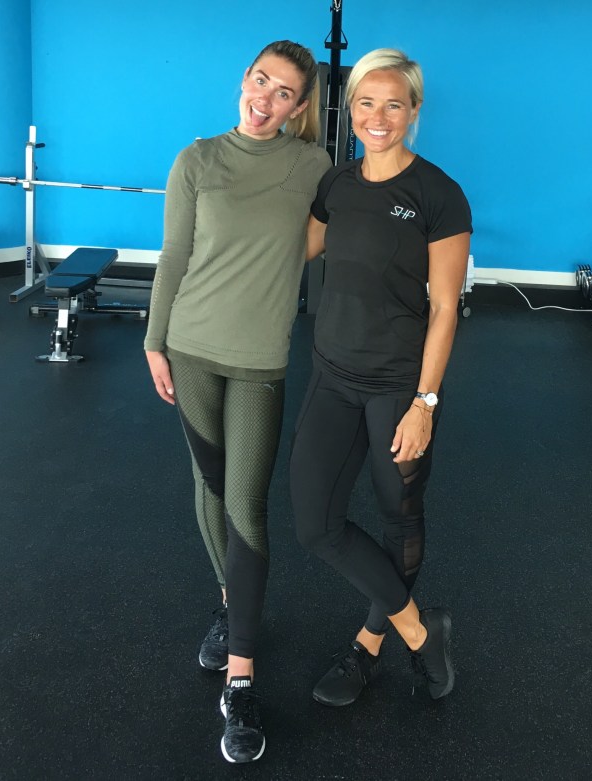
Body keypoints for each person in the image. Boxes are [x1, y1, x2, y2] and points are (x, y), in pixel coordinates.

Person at [144, 40, 331, 763]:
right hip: (190, 345)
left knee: (246, 505)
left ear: (299, 107)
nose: (265, 99)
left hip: (258, 358)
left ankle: (241, 678)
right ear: (243, 81)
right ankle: (233, 604)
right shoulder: (197, 159)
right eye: (260, 81)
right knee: (210, 485)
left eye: (283, 92)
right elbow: (175, 255)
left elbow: (318, 240)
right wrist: (154, 341)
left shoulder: (311, 166)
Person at [290, 48, 472, 707]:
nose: (378, 116)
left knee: (399, 516)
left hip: (398, 384)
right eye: (366, 102)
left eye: (394, 104)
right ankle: (421, 631)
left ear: (413, 111)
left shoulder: (437, 194)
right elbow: (296, 248)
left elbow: (445, 308)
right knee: (315, 523)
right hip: (332, 374)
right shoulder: (336, 183)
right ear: (350, 109)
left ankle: (368, 646)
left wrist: (425, 403)